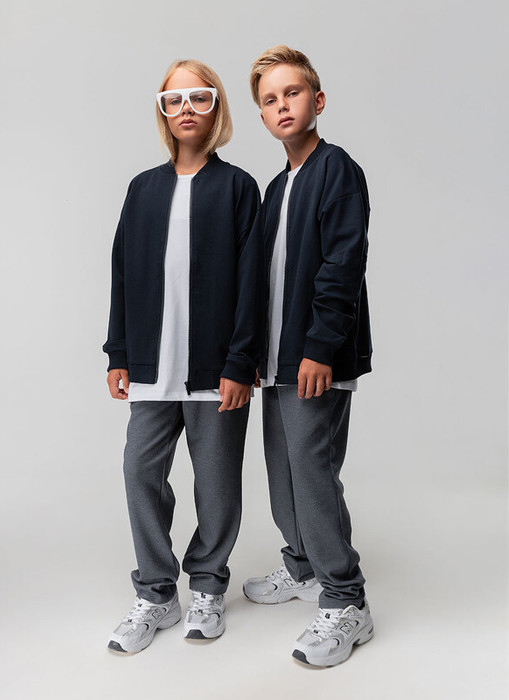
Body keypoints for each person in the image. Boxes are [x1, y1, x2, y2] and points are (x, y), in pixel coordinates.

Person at [102, 59, 262, 653]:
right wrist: (119, 352)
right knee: (140, 471)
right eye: (174, 100)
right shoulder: (142, 189)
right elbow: (122, 274)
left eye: (199, 97)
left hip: (216, 369)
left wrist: (240, 362)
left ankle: (209, 586)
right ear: (163, 111)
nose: (186, 109)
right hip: (151, 364)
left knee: (216, 484)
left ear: (216, 106)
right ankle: (156, 592)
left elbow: (252, 284)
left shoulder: (238, 187)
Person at [243, 45, 374, 668]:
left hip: (315, 359)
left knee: (312, 473)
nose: (282, 106)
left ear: (317, 100)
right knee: (282, 472)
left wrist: (320, 348)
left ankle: (346, 599)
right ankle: (301, 565)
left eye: (292, 93)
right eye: (270, 100)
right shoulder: (276, 188)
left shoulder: (336, 169)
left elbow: (343, 264)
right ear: (262, 117)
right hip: (277, 363)